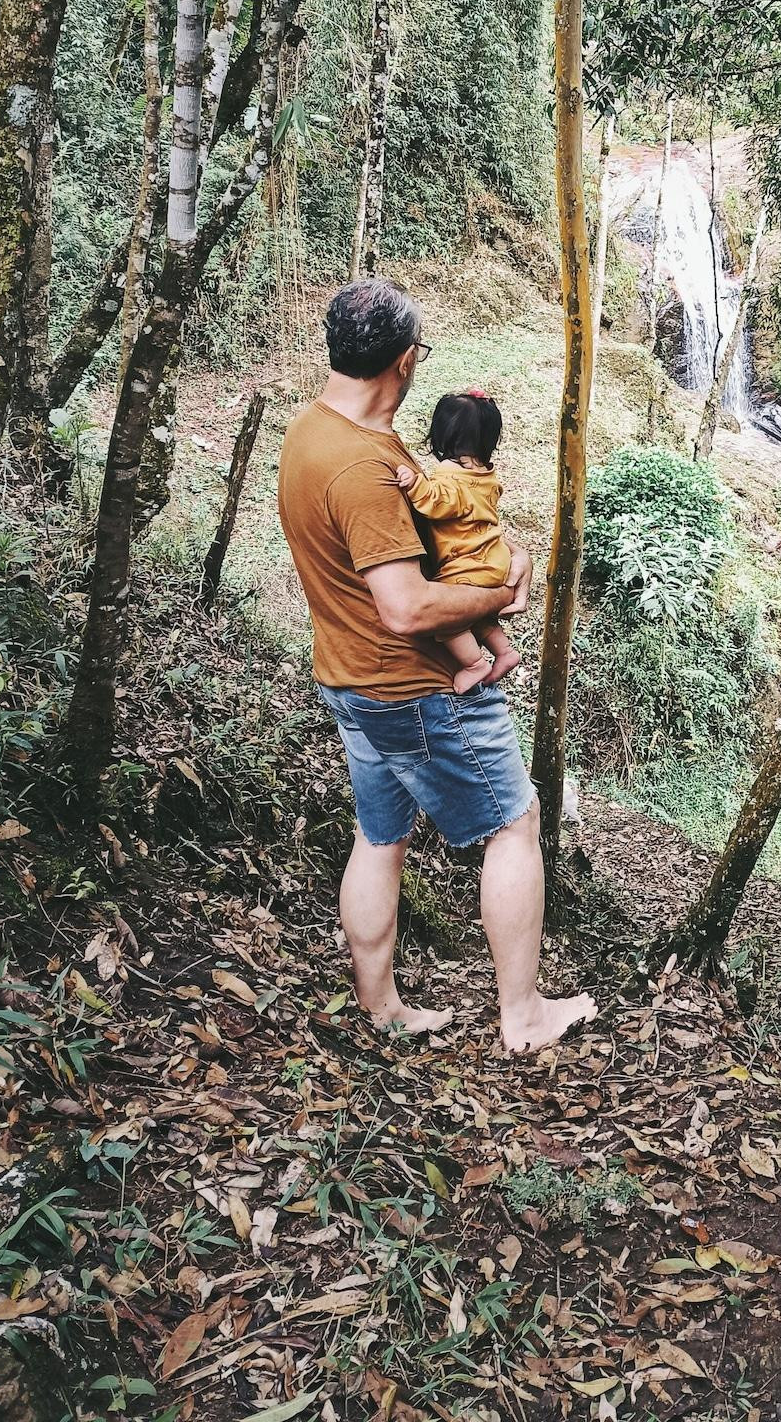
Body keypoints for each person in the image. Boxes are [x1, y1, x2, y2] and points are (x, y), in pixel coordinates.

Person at [276, 276, 595, 1050]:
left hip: (348, 679)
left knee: (380, 836)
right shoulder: (361, 468)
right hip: (413, 687)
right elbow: (408, 608)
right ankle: (523, 1018)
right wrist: (498, 605)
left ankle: (380, 1006)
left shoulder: (310, 434)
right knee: (514, 825)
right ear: (406, 360)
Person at [395, 390, 521, 691]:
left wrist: (415, 485)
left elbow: (436, 502)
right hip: (495, 559)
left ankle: (474, 664)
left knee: (447, 618)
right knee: (476, 615)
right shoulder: (487, 476)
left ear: (442, 435)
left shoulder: (450, 477)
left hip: (466, 564)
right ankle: (505, 652)